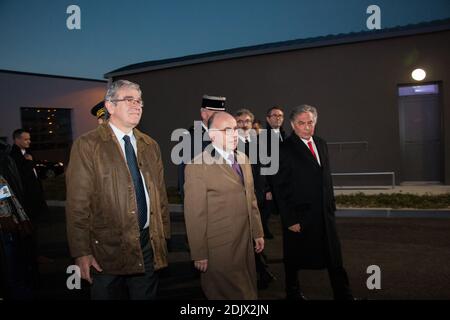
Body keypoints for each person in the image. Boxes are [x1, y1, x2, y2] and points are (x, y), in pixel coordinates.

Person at [65, 80, 171, 300]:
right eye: (129, 99)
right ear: (110, 106)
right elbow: (78, 204)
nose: (137, 105)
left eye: (139, 101)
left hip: (146, 244)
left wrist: (163, 238)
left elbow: (159, 197)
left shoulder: (150, 145)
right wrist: (81, 252)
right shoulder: (88, 145)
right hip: (106, 249)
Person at [273, 105, 354, 300]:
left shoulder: (321, 143)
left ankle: (343, 295)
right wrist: (289, 219)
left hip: (324, 213)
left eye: (310, 122)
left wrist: (331, 205)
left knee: (335, 256)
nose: (307, 127)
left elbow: (326, 177)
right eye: (302, 123)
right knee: (294, 257)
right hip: (299, 215)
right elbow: (279, 187)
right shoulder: (283, 149)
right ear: (293, 125)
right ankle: (292, 293)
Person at [184, 111, 264, 299]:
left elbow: (250, 199)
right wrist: (199, 252)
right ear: (212, 135)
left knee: (249, 292)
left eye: (235, 129)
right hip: (219, 249)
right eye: (227, 130)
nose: (234, 133)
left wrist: (257, 231)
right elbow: (195, 214)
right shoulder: (197, 166)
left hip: (245, 245)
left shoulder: (243, 160)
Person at [235, 108, 276, 290]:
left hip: (258, 196)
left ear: (252, 124)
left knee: (255, 233)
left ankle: (259, 267)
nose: (244, 124)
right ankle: (261, 270)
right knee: (247, 235)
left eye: (247, 121)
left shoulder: (259, 143)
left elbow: (265, 168)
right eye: (240, 121)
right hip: (239, 198)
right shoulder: (232, 144)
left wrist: (267, 189)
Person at [177, 94, 226, 199]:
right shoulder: (193, 138)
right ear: (204, 114)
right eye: (217, 114)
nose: (222, 118)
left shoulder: (223, 136)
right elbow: (187, 175)